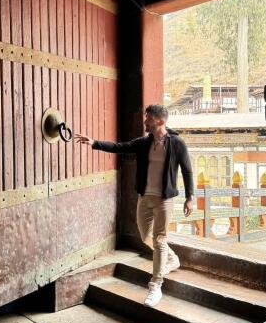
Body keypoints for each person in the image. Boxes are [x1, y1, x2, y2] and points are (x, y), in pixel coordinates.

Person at [75, 104, 194, 307]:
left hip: (164, 200)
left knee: (159, 240)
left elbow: (187, 171)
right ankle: (172, 259)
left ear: (160, 121)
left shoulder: (177, 144)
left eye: (148, 118)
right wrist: (95, 143)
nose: (145, 122)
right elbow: (120, 147)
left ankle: (155, 286)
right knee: (145, 236)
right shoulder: (143, 143)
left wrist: (190, 197)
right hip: (144, 198)